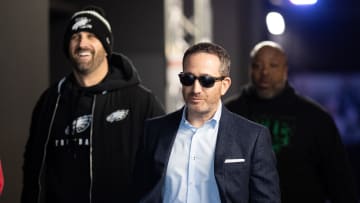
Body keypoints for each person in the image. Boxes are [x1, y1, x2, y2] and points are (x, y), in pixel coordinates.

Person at [21, 5, 164, 203]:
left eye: (91, 36)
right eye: (75, 37)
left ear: (106, 46)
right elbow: (33, 169)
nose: (82, 44)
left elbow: (163, 166)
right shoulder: (51, 100)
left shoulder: (140, 101)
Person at [134, 42, 280, 202]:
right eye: (188, 78)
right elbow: (140, 193)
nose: (196, 89)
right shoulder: (154, 130)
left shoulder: (252, 137)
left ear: (224, 85)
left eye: (206, 80)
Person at [225, 40, 358, 203]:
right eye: (257, 65)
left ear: (285, 70)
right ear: (250, 69)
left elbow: (340, 181)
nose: (265, 72)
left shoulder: (315, 118)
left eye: (273, 65)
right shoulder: (229, 113)